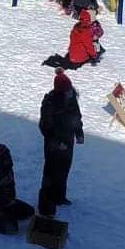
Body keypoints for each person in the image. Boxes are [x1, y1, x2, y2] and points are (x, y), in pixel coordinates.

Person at [38, 70, 83, 218]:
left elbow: (76, 116)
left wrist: (79, 133)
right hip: (54, 144)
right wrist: (57, 143)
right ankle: (46, 201)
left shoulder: (70, 97)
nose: (70, 91)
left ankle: (60, 196)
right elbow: (45, 126)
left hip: (67, 141)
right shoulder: (50, 102)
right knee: (51, 171)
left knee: (64, 170)